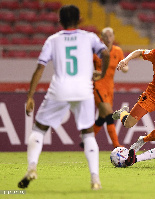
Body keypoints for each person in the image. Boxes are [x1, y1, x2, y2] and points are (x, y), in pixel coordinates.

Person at [17, 5, 110, 190]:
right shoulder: (89, 37)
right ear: (81, 19)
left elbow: (40, 67)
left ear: (59, 21)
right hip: (84, 90)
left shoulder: (52, 40)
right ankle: (95, 180)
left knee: (39, 129)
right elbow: (106, 53)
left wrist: (30, 96)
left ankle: (32, 167)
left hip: (59, 89)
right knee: (88, 133)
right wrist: (102, 72)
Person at [79, 27, 128, 149]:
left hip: (110, 87)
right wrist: (93, 73)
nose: (108, 38)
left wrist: (124, 68)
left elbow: (124, 66)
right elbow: (86, 68)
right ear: (101, 38)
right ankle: (116, 145)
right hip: (98, 85)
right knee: (109, 114)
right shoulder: (96, 52)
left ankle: (86, 141)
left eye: (110, 36)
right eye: (105, 36)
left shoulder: (118, 51)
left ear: (114, 37)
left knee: (102, 117)